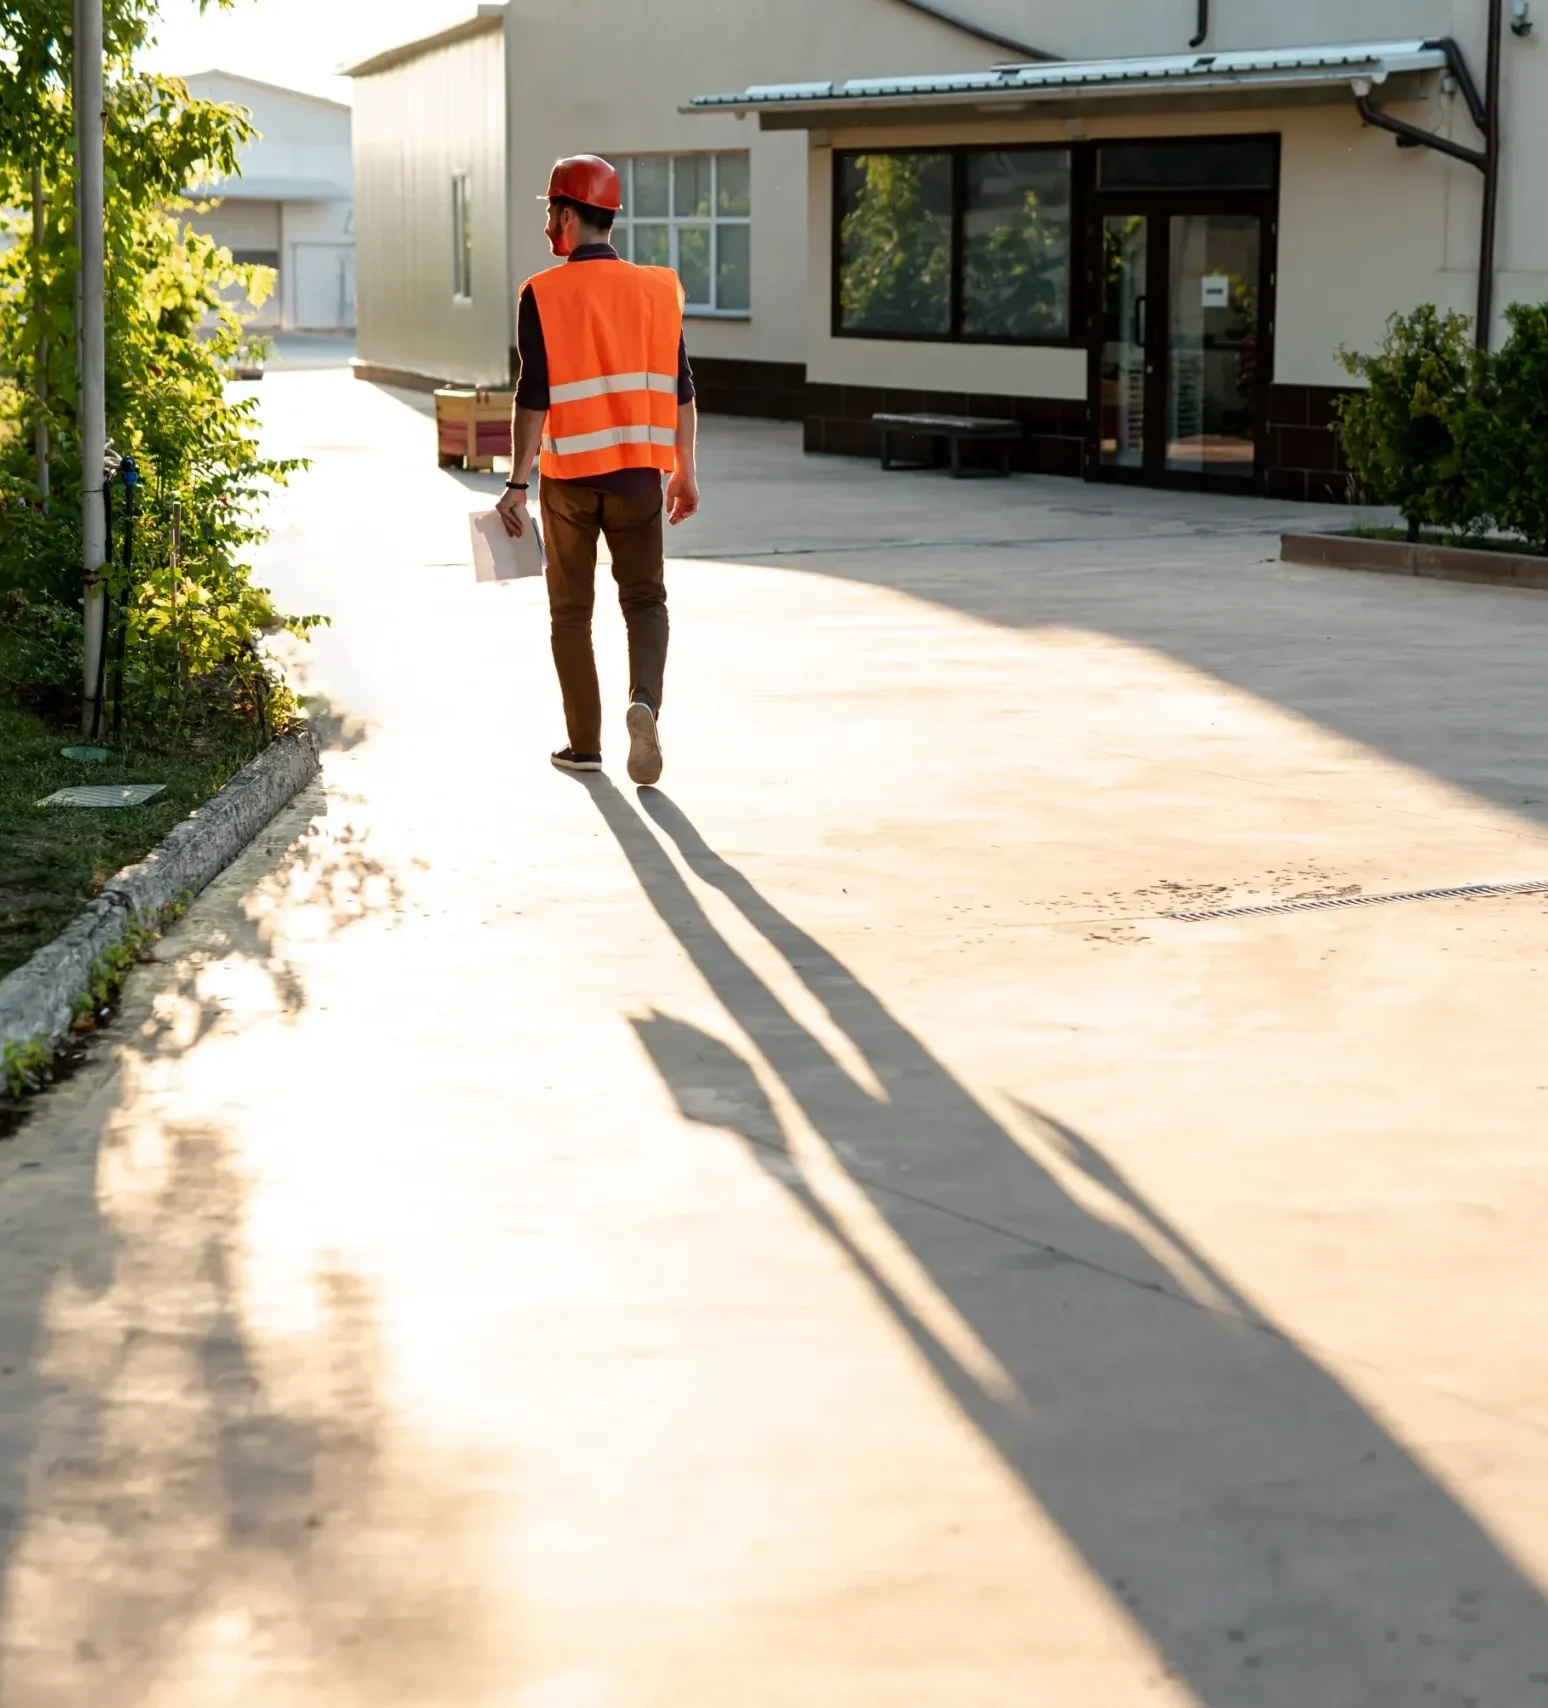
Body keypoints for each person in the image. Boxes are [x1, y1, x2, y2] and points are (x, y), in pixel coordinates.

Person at [496, 154, 700, 786]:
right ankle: (644, 703)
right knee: (644, 600)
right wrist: (684, 471)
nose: (546, 227)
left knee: (571, 613)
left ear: (565, 213)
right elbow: (682, 389)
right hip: (640, 475)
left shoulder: (543, 292)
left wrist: (515, 483)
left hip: (569, 481)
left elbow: (534, 395)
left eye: (549, 213)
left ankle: (585, 745)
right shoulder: (659, 289)